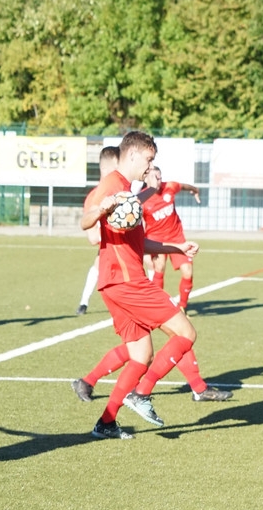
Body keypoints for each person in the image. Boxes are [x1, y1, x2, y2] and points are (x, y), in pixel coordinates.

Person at [76, 131, 231, 440]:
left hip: (117, 282)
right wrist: (102, 208)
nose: (150, 166)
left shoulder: (128, 190)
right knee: (186, 333)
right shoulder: (112, 185)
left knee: (141, 355)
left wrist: (177, 247)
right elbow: (86, 225)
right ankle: (142, 393)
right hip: (127, 281)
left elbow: (138, 243)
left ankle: (106, 423)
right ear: (133, 154)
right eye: (148, 159)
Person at [140, 166, 201, 311]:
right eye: (154, 177)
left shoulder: (169, 187)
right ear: (146, 179)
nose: (158, 180)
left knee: (188, 271)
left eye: (159, 177)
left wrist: (195, 189)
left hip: (176, 236)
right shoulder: (142, 199)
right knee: (159, 267)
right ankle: (158, 307)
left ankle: (182, 307)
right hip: (156, 239)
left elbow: (183, 186)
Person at [76, 146, 120, 316]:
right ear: (105, 168)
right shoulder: (95, 197)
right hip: (111, 247)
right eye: (117, 167)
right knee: (98, 264)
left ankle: (83, 303)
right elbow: (93, 237)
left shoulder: (120, 191)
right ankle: (84, 302)